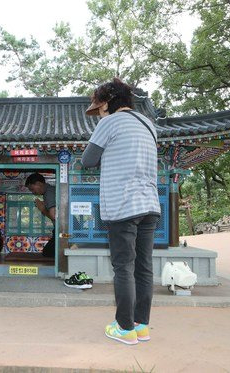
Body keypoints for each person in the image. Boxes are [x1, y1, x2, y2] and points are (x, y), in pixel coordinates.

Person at [82, 77, 160, 345]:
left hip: (123, 204)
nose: (99, 114)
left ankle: (125, 328)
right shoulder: (148, 124)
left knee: (123, 267)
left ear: (106, 103)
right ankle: (142, 326)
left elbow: (88, 160)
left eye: (99, 108)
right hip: (150, 204)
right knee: (144, 267)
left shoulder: (109, 122)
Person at [25, 173, 56, 257]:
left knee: (48, 252)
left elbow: (54, 216)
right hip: (61, 229)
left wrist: (42, 208)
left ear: (39, 183)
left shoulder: (49, 193)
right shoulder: (50, 191)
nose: (33, 192)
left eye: (32, 189)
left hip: (63, 230)